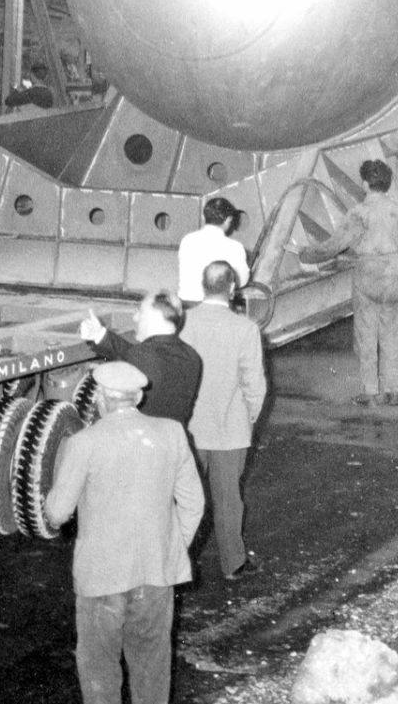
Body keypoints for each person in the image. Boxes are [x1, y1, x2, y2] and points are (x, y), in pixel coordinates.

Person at [44, 360, 204, 704]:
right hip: (156, 575)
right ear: (138, 397)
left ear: (100, 398)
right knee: (151, 671)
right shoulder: (171, 433)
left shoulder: (84, 442)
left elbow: (57, 513)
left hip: (102, 580)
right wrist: (171, 547)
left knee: (100, 672)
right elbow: (194, 503)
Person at [298, 159, 398, 407]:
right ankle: (393, 391)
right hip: (395, 274)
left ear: (365, 184)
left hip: (368, 274)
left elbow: (334, 246)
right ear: (387, 183)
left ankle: (370, 391)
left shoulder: (359, 213)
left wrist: (306, 254)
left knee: (366, 335)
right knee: (392, 334)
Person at [179, 260, 267, 581]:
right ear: (232, 289)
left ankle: (176, 562)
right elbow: (254, 383)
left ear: (202, 286)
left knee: (183, 498)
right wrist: (249, 417)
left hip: (189, 428)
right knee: (229, 499)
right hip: (230, 430)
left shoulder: (183, 324)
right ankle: (233, 564)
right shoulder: (245, 329)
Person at [80, 291, 203, 427]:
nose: (135, 318)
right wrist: (99, 334)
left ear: (155, 317)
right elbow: (135, 355)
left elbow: (136, 357)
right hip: (174, 438)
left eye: (140, 312)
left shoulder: (142, 356)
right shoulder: (192, 356)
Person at [177, 196, 249, 307]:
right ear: (228, 220)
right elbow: (242, 282)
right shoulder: (235, 247)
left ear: (203, 217)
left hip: (185, 304)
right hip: (216, 307)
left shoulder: (187, 240)